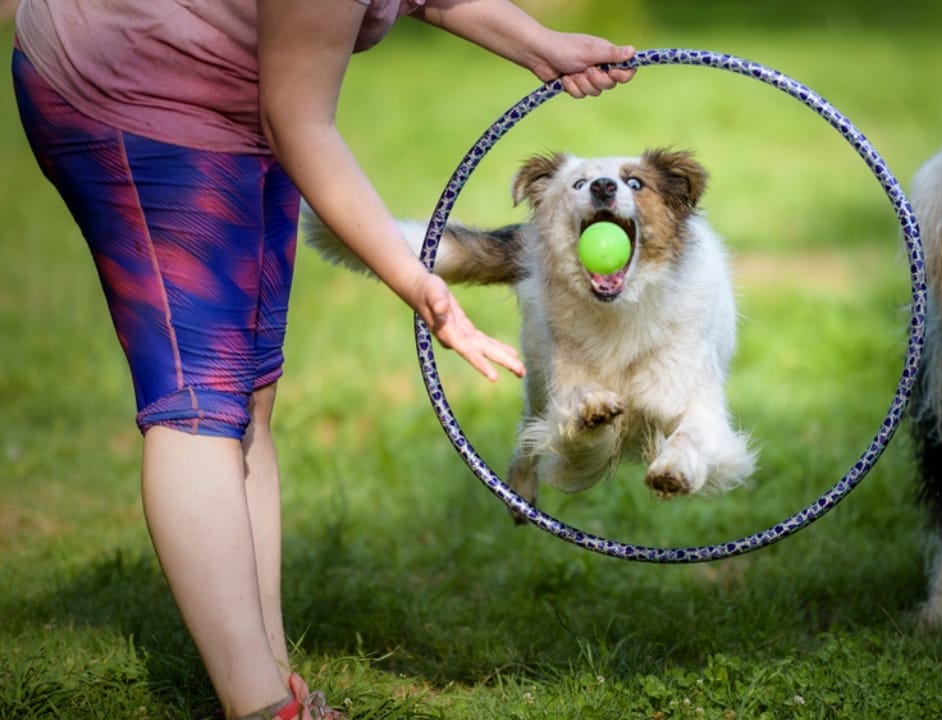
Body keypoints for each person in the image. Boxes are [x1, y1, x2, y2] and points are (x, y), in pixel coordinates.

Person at [10, 0, 635, 717]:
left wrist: (537, 42)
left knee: (247, 392)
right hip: (137, 95)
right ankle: (260, 706)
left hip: (241, 96)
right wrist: (416, 281)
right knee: (197, 400)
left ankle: (268, 673)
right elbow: (299, 121)